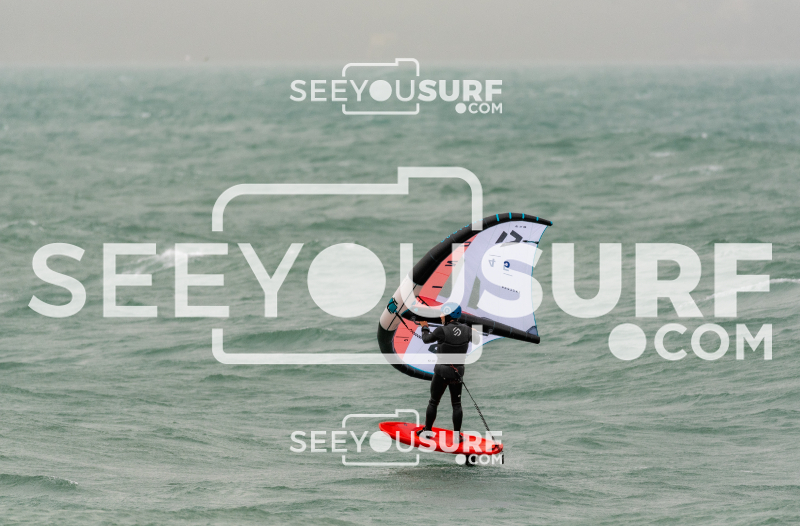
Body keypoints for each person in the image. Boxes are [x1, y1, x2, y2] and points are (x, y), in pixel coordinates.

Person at [416, 304, 471, 444]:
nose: (440, 316)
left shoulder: (441, 330)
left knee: (433, 402)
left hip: (441, 372)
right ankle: (457, 436)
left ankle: (427, 431)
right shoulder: (467, 330)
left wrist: (424, 327)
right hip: (457, 373)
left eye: (442, 314)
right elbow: (475, 339)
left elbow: (426, 339)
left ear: (448, 316)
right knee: (456, 404)